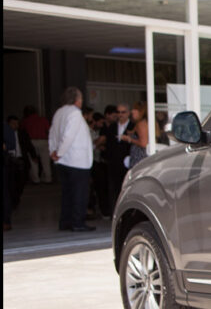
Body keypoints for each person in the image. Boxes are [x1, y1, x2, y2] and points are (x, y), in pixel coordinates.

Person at [48, 87, 95, 232]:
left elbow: (52, 133)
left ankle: (65, 222)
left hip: (63, 161)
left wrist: (53, 151)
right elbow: (69, 135)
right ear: (77, 100)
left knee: (67, 193)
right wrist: (60, 152)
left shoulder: (59, 112)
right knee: (79, 193)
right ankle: (77, 223)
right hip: (76, 160)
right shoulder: (74, 113)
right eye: (81, 99)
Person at [101, 103, 132, 213]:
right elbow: (109, 144)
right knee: (114, 188)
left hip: (129, 163)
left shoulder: (132, 126)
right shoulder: (112, 127)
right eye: (118, 112)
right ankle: (115, 212)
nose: (120, 115)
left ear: (128, 113)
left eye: (123, 112)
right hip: (114, 163)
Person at [22, 105, 51, 184]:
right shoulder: (43, 119)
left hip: (31, 142)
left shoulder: (25, 121)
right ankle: (48, 178)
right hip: (43, 141)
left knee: (33, 161)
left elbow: (23, 132)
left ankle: (36, 179)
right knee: (45, 161)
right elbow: (48, 130)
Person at [122, 101, 149, 168]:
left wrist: (129, 139)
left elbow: (143, 143)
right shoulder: (141, 122)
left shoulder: (141, 124)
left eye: (135, 109)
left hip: (140, 157)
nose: (132, 111)